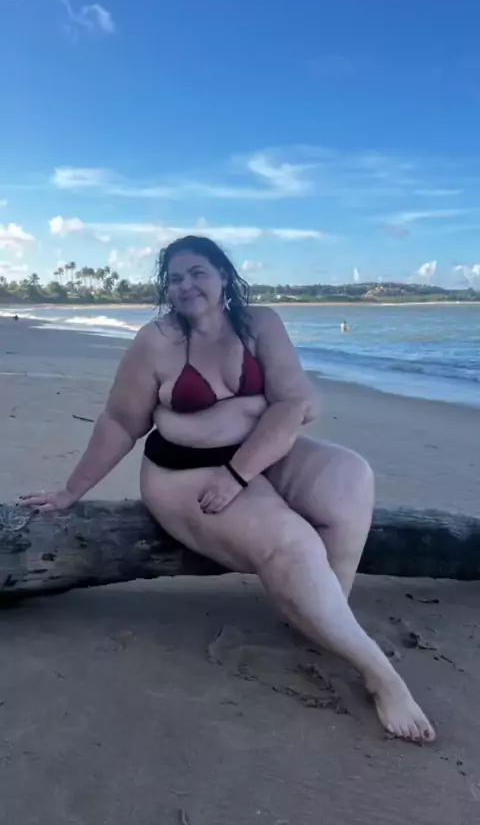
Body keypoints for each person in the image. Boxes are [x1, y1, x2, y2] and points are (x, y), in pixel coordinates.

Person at [21, 235, 435, 743]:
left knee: (351, 476)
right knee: (292, 542)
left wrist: (239, 473)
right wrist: (71, 491)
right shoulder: (156, 341)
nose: (186, 285)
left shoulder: (261, 324)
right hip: (182, 473)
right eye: (175, 278)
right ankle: (381, 676)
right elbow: (120, 423)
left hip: (256, 457)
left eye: (198, 272)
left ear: (223, 276)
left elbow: (295, 401)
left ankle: (326, 613)